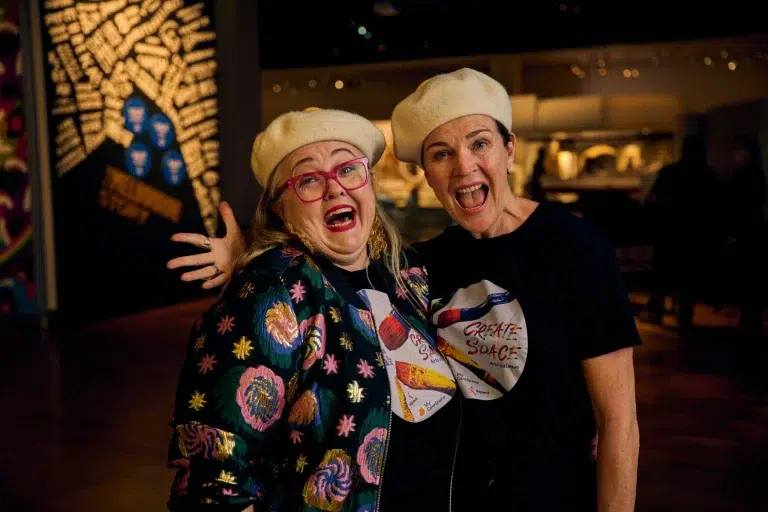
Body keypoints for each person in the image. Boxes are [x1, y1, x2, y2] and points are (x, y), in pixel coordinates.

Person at [170, 69, 641, 511]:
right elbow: (214, 462)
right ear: (426, 173)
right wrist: (252, 260)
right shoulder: (403, 270)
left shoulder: (561, 249)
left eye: (480, 143)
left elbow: (618, 420)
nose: (464, 167)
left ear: (509, 150)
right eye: (441, 154)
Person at [166, 108, 461, 511]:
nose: (335, 189)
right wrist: (252, 263)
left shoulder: (403, 276)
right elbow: (214, 471)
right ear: (279, 208)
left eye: (348, 170)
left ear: (370, 183)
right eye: (308, 180)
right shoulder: (272, 293)